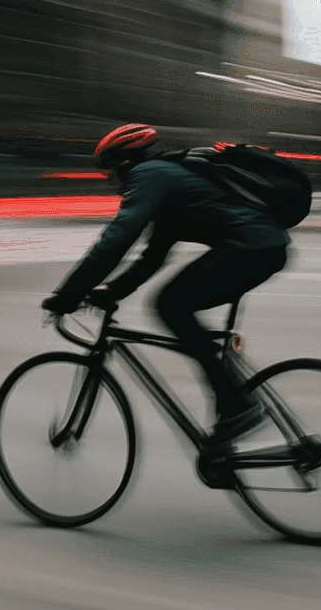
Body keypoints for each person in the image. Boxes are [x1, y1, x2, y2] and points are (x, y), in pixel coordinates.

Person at [40, 123, 289, 481]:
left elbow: (116, 239)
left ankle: (238, 408)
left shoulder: (149, 175)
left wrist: (68, 295)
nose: (113, 182)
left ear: (125, 163)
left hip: (249, 249)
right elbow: (153, 256)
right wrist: (113, 290)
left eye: (111, 173)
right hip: (263, 247)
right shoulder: (169, 180)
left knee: (169, 305)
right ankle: (226, 436)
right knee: (182, 316)